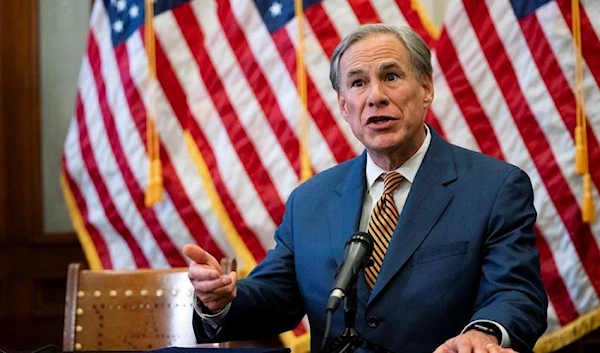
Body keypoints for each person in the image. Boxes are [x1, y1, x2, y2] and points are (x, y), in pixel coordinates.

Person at [183, 23, 548, 353]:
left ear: (426, 89)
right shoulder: (309, 201)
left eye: (391, 77)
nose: (375, 96)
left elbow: (515, 292)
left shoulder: (494, 187)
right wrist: (221, 300)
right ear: (344, 105)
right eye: (358, 83)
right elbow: (275, 298)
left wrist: (482, 334)